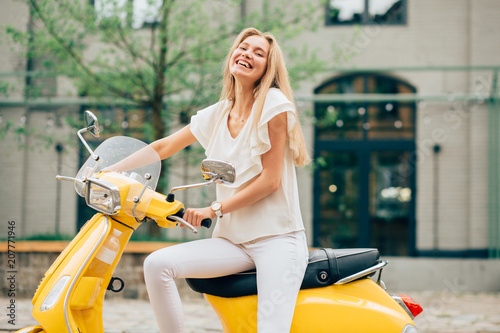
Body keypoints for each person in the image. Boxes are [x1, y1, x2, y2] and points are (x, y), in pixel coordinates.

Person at [143, 27, 310, 333]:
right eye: (243, 47)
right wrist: (104, 170)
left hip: (278, 241)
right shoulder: (218, 114)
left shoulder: (274, 104)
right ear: (233, 54)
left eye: (259, 53)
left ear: (266, 69)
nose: (247, 54)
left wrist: (213, 210)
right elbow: (162, 147)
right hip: (233, 242)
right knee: (156, 264)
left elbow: (270, 181)